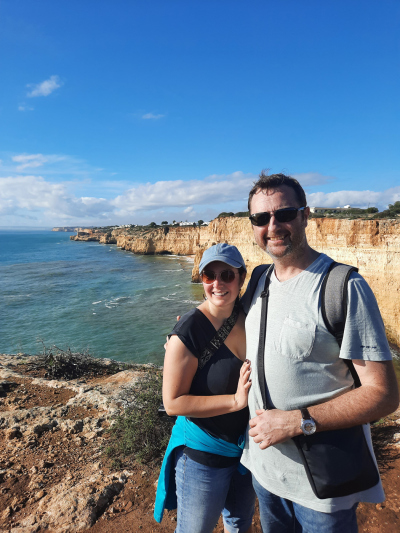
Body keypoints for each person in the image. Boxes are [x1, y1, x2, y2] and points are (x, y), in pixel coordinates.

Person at [240, 172, 399, 532]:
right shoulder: (259, 280)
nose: (273, 226)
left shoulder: (343, 286)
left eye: (285, 214)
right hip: (264, 473)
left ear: (305, 215)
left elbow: (384, 394)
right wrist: (188, 333)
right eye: (261, 218)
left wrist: (296, 421)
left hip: (321, 490)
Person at [154, 243, 256, 533]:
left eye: (227, 274)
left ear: (241, 277)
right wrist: (235, 401)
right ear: (201, 279)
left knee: (239, 524)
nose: (217, 284)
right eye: (209, 276)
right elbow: (173, 403)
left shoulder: (250, 315)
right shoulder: (188, 330)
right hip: (203, 455)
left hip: (247, 452)